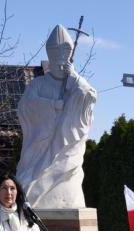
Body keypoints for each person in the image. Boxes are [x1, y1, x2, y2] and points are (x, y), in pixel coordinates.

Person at [15, 24, 97, 209]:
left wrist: (74, 77)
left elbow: (89, 95)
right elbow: (26, 105)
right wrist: (52, 105)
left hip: (65, 145)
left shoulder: (76, 82)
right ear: (50, 62)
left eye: (64, 64)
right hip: (41, 143)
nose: (60, 67)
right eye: (57, 63)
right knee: (29, 182)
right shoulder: (38, 83)